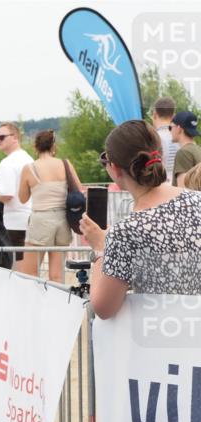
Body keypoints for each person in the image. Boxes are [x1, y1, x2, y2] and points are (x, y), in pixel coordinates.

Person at [80, 119, 201, 319]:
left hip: (163, 336)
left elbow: (103, 307)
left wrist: (102, 249)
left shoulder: (126, 232)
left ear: (115, 169)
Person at [15, 130, 84, 282]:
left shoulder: (29, 168)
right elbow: (79, 190)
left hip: (41, 219)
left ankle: (34, 304)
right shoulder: (65, 164)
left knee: (31, 274)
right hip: (63, 221)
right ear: (54, 145)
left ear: (36, 147)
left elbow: (23, 198)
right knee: (57, 275)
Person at [0, 122, 33, 247]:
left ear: (15, 137)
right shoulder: (29, 159)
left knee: (15, 265)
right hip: (32, 220)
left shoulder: (7, 163)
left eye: (2, 137)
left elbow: (6, 194)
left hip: (14, 224)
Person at [150, 97, 179, 183]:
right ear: (174, 116)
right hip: (181, 187)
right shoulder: (182, 136)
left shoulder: (152, 138)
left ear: (155, 114)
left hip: (160, 187)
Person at [171, 111, 200, 187]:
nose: (170, 131)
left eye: (170, 127)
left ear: (179, 128)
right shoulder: (198, 149)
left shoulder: (183, 153)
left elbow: (183, 191)